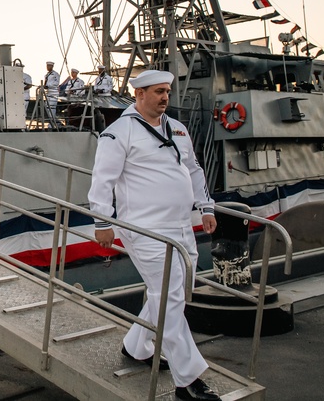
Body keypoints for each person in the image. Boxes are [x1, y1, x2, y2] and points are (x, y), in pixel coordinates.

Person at [87, 70, 219, 401]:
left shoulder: (177, 128)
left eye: (167, 93)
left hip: (180, 226)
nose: (164, 98)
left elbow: (192, 169)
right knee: (170, 297)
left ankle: (136, 345)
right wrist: (103, 222)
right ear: (139, 94)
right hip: (145, 229)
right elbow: (102, 180)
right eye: (158, 92)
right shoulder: (119, 133)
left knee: (173, 292)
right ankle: (188, 381)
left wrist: (206, 206)